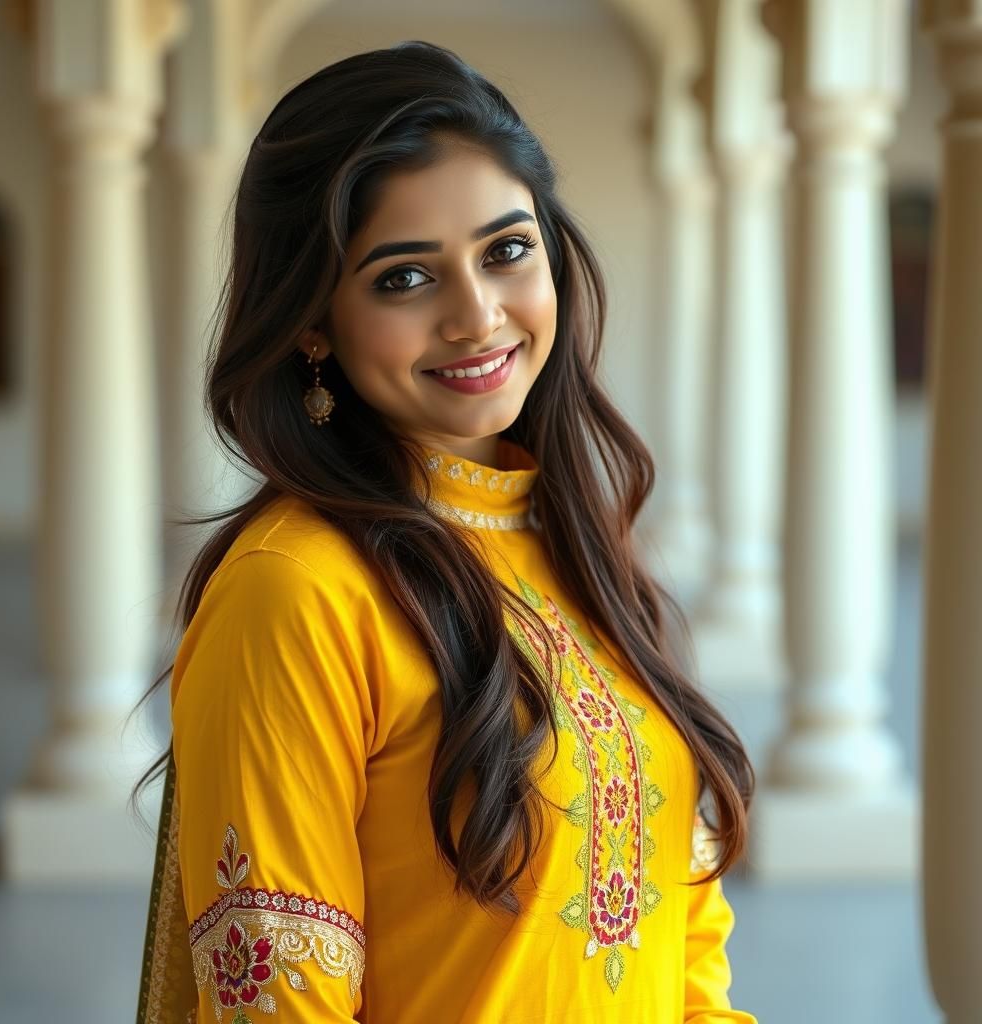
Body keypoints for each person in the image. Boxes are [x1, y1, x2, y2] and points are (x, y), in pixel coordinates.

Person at [135, 39, 758, 1024]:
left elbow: (690, 956)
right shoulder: (293, 588)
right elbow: (279, 1006)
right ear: (311, 321)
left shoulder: (581, 549)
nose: (477, 316)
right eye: (402, 279)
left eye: (506, 250)